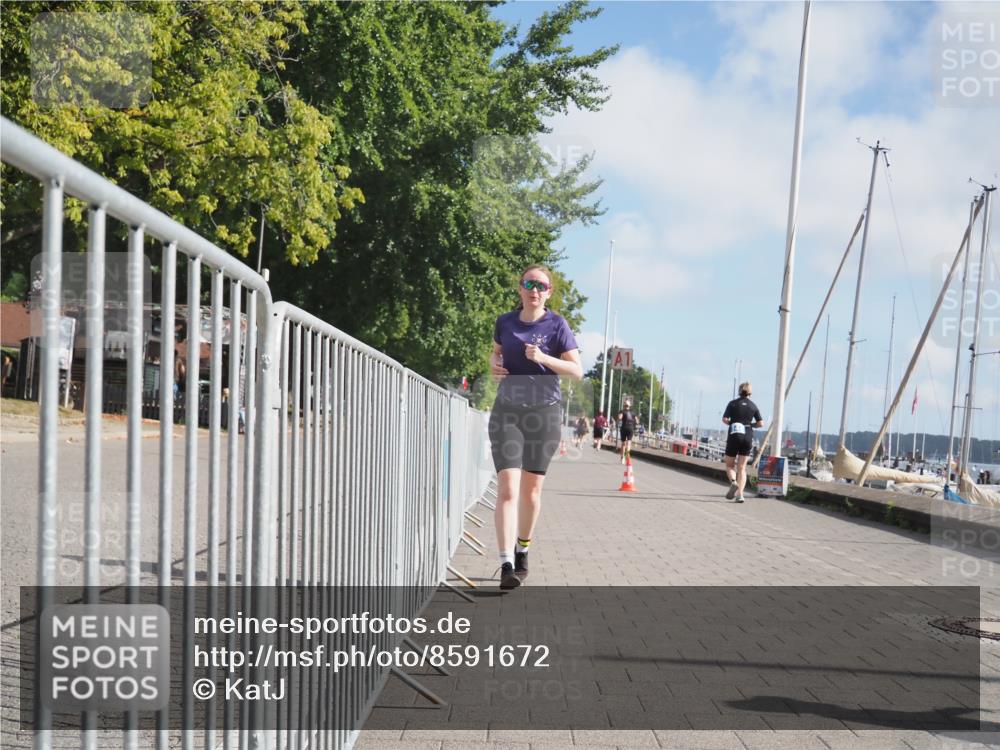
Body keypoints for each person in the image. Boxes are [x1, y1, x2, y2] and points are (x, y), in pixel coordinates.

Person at [489, 264, 583, 590]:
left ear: (549, 292)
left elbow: (576, 370)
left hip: (544, 414)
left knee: (531, 492)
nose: (534, 290)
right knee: (509, 489)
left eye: (541, 285)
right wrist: (495, 367)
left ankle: (523, 548)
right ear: (520, 288)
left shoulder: (557, 325)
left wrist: (544, 357)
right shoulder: (505, 322)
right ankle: (505, 564)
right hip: (508, 412)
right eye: (529, 283)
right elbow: (496, 354)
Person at [722, 382, 764, 503]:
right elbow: (761, 423)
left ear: (739, 391)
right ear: (750, 392)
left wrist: (733, 423)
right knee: (742, 468)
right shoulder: (753, 406)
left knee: (730, 465)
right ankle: (740, 495)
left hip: (734, 434)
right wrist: (751, 425)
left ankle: (733, 482)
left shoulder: (732, 403)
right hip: (747, 435)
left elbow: (725, 419)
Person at [617, 398, 638, 463]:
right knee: (628, 443)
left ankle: (622, 457)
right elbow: (637, 421)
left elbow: (619, 418)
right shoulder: (633, 412)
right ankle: (626, 455)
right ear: (630, 405)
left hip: (624, 428)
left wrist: (619, 418)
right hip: (630, 428)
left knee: (623, 444)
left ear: (624, 405)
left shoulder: (622, 411)